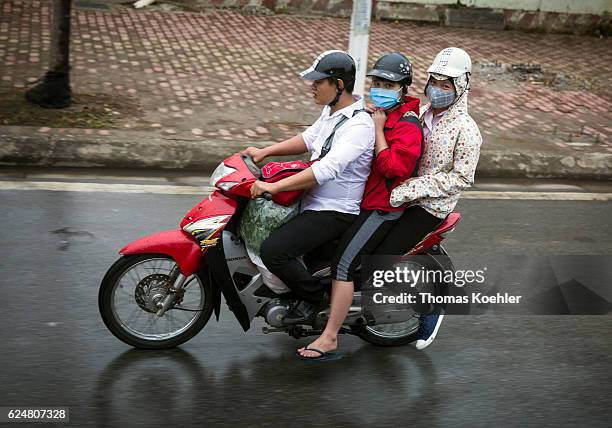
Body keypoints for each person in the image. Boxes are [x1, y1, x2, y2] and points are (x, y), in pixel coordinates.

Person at [298, 52, 425, 360]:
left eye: (388, 84)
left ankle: (329, 337)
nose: (379, 88)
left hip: (382, 209)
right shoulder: (378, 114)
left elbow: (394, 169)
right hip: (363, 203)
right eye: (376, 82)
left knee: (344, 264)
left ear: (403, 89)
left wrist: (379, 130)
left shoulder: (406, 126)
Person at [245, 50, 375, 323]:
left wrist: (276, 187)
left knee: (274, 251)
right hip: (313, 202)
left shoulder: (359, 125)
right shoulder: (332, 112)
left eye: (318, 82)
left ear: (339, 85)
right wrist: (265, 152)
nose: (312, 87)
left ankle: (314, 298)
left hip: (335, 211)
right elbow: (308, 139)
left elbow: (327, 169)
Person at [374, 47, 483, 351]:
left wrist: (413, 189)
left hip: (429, 206)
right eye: (434, 81)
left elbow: (462, 178)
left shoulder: (467, 130)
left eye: (446, 85)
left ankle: (430, 306)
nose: (437, 89)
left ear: (462, 86)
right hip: (401, 194)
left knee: (383, 254)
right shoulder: (423, 114)